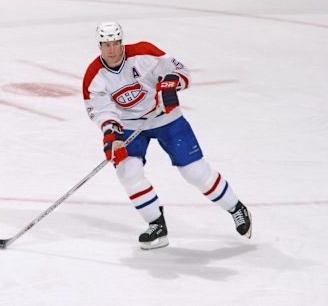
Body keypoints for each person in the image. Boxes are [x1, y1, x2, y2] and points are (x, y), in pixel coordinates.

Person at [82, 21, 252, 250]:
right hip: (129, 125)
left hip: (165, 118)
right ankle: (156, 225)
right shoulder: (94, 75)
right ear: (99, 46)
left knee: (195, 172)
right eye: (106, 45)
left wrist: (170, 84)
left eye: (115, 43)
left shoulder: (144, 53)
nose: (112, 50)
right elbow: (101, 110)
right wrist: (112, 134)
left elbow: (182, 72)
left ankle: (236, 208)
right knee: (127, 171)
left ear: (121, 42)